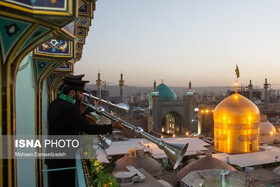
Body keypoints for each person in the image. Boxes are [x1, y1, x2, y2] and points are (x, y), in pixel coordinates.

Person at [46, 75, 122, 187]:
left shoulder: (56, 103)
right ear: (72, 92)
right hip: (64, 160)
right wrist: (112, 127)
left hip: (54, 158)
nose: (82, 96)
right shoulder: (69, 108)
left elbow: (66, 123)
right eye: (80, 93)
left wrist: (80, 111)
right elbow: (87, 128)